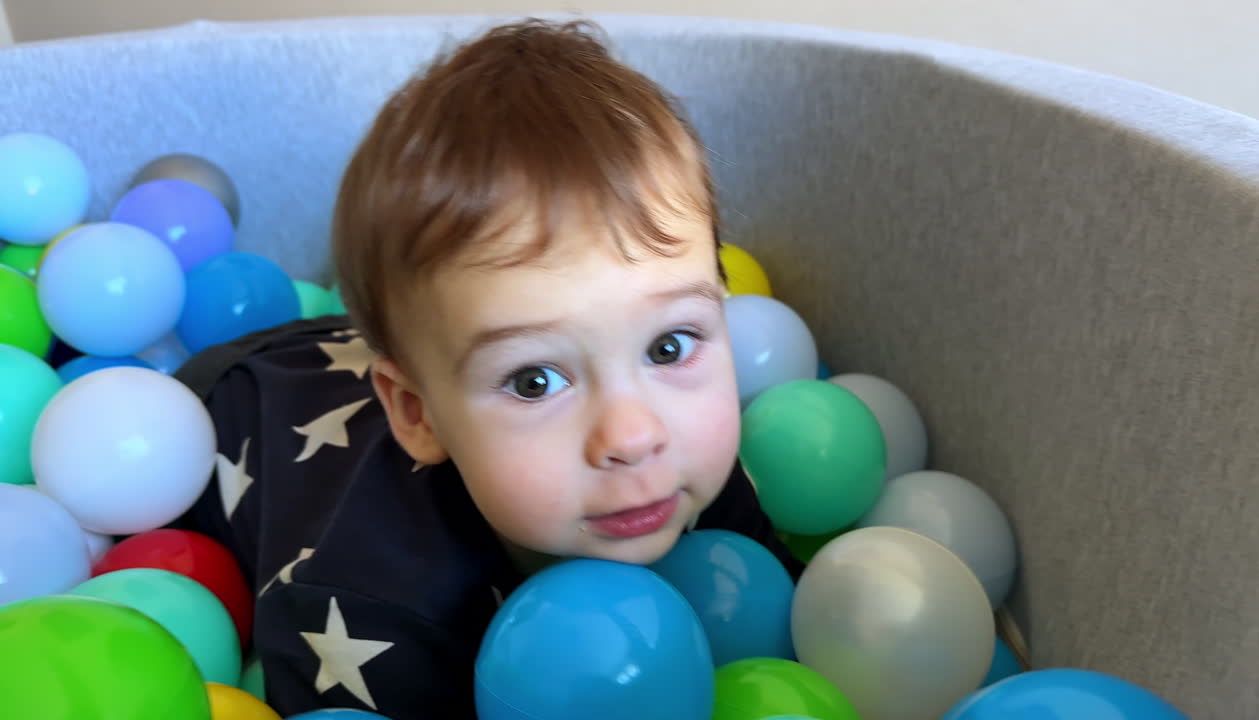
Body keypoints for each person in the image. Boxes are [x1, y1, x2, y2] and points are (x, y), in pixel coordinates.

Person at [173, 17, 803, 719]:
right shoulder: (366, 608)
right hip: (233, 399)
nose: (632, 434)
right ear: (417, 414)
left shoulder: (688, 470)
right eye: (535, 381)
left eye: (668, 346)